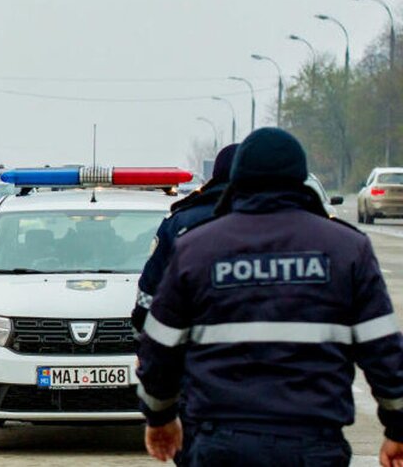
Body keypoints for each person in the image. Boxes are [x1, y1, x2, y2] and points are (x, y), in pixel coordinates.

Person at [137, 128, 403, 466]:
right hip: (313, 445)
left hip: (221, 445)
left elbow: (159, 348)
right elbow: (383, 350)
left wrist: (159, 417)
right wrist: (397, 428)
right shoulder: (347, 248)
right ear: (300, 179)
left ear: (237, 179)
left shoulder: (196, 248)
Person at [132, 143, 237, 333]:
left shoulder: (179, 222)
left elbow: (150, 289)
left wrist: (144, 331)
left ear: (216, 174)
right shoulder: (271, 221)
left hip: (192, 341)